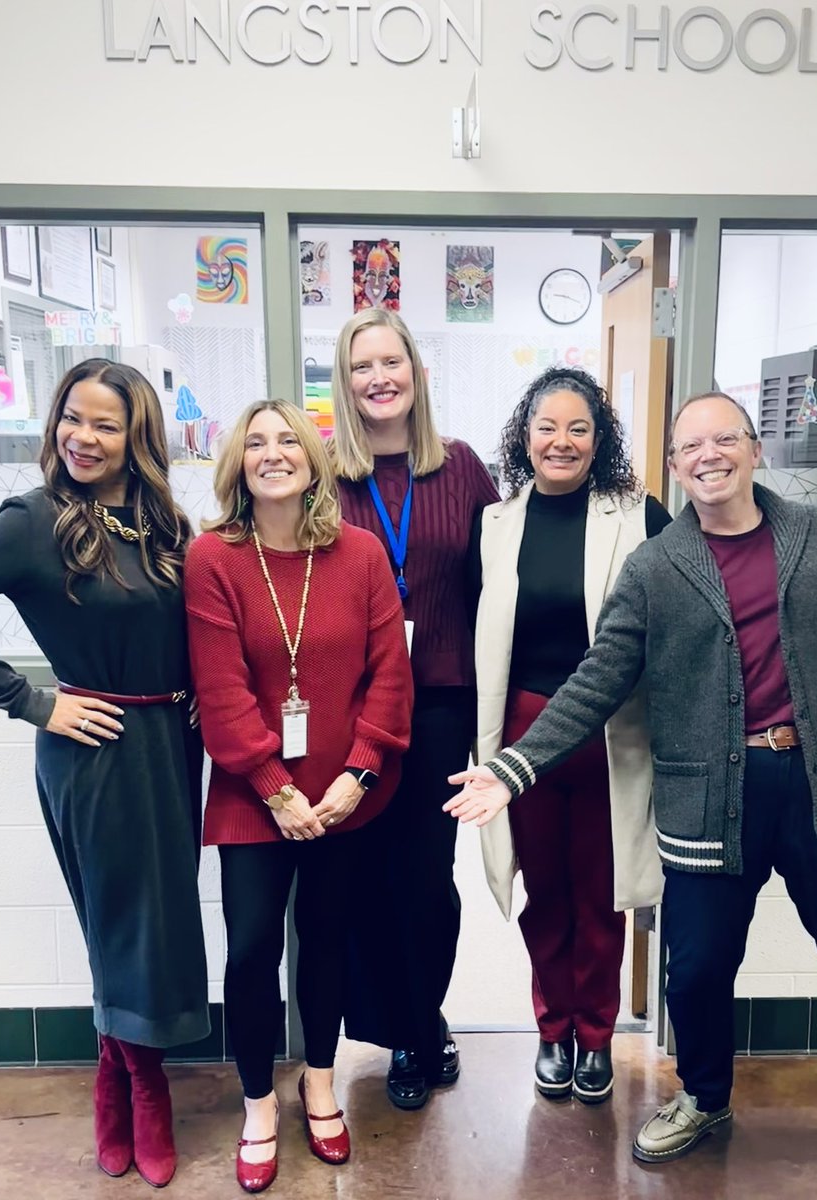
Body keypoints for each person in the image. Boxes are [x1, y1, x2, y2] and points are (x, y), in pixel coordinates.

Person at [447, 391, 817, 1200]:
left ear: (754, 449)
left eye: (723, 439)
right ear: (673, 464)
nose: (708, 455)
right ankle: (704, 1098)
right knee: (695, 974)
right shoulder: (657, 566)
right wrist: (514, 767)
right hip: (710, 802)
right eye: (690, 446)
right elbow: (598, 679)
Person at [0, 358, 209, 1188]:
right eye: (72, 418)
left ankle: (119, 1062)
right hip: (94, 748)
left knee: (155, 918)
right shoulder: (35, 518)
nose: (83, 437)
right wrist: (30, 701)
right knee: (123, 919)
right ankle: (137, 1084)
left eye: (105, 424)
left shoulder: (164, 520)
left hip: (172, 742)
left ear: (138, 439)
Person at [185, 399, 412, 1193]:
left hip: (347, 795)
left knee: (326, 940)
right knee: (251, 950)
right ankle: (257, 1103)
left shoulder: (361, 554)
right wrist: (278, 789)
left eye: (289, 440)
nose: (273, 453)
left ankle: (320, 1080)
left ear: (316, 462)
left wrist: (358, 774)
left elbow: (391, 675)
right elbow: (220, 693)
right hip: (255, 796)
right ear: (238, 464)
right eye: (256, 442)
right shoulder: (212, 558)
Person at [471, 366, 669, 1103]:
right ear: (526, 436)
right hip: (523, 734)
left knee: (601, 892)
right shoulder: (496, 523)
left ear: (599, 438)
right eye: (547, 427)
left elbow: (677, 613)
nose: (561, 441)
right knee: (544, 891)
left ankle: (596, 1037)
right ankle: (552, 1030)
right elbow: (475, 630)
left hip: (607, 733)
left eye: (578, 428)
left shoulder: (636, 515)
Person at [331, 308, 499, 1109]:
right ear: (346, 380)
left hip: (439, 703)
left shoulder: (460, 469)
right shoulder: (328, 473)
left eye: (391, 361)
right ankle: (400, 1030)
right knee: (368, 875)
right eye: (362, 366)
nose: (379, 378)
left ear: (416, 372)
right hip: (350, 708)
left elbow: (502, 579)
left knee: (429, 877)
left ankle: (423, 1020)